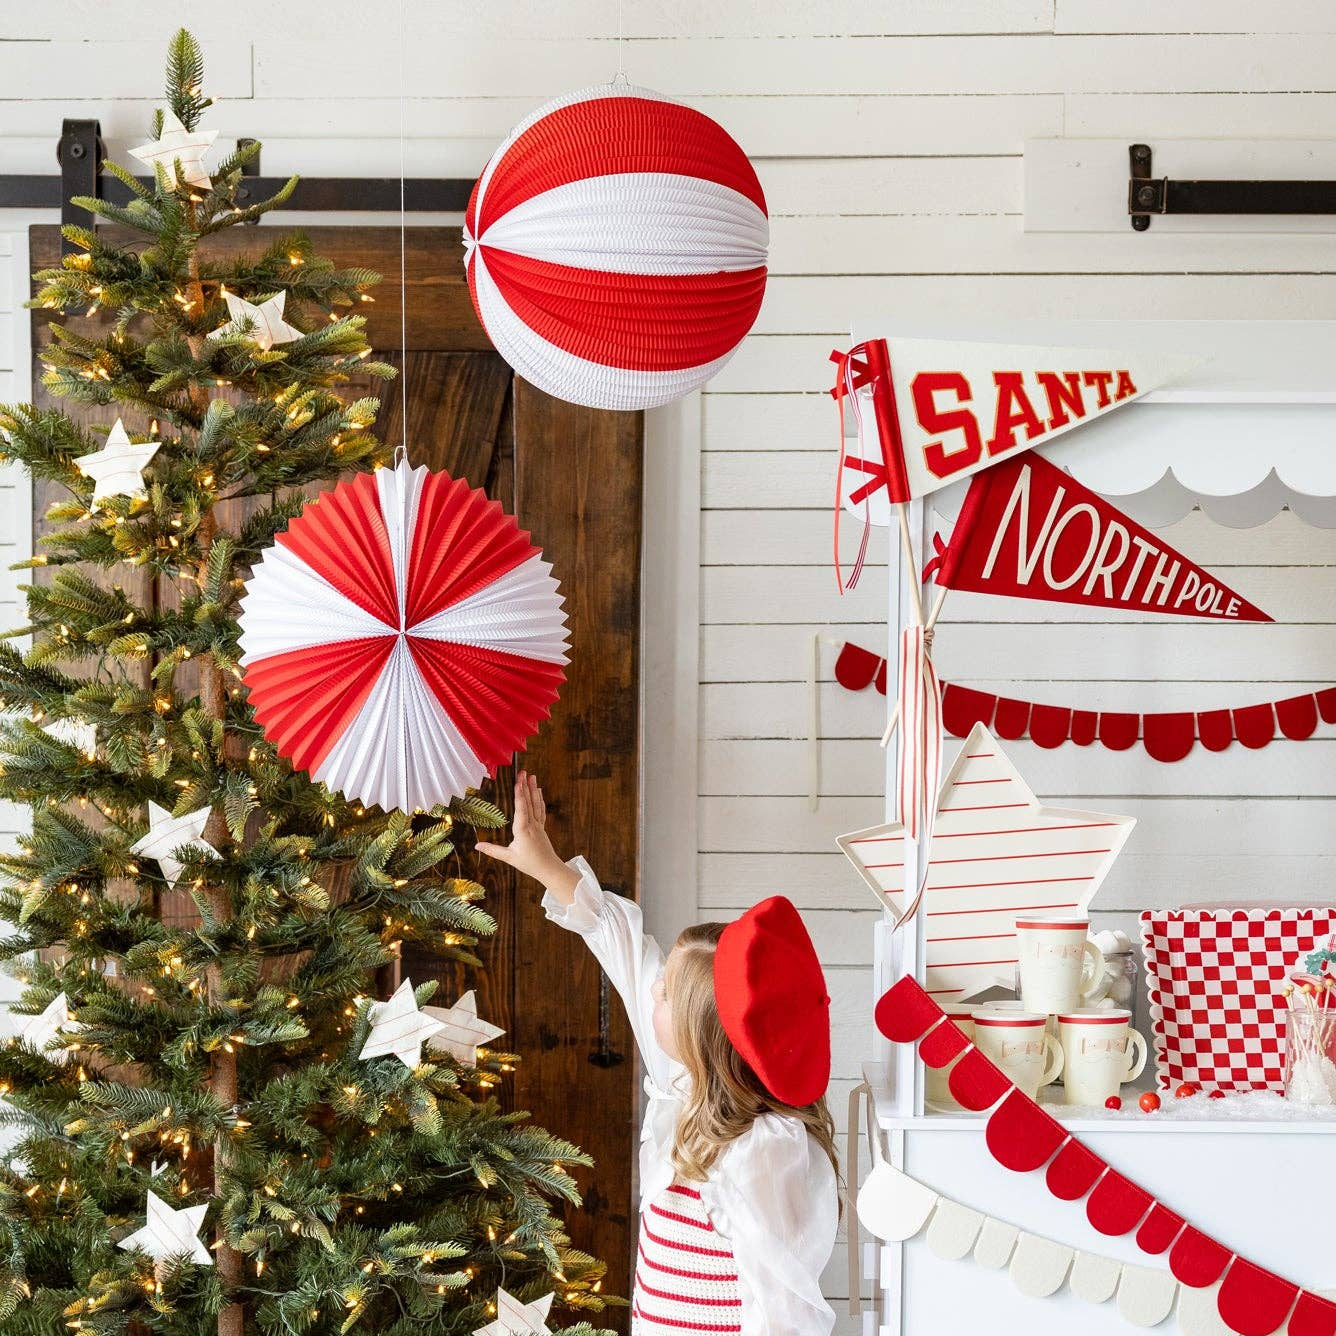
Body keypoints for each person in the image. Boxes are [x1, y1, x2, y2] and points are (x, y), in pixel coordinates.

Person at [477, 772, 840, 1336]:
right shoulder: (682, 1079)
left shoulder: (763, 1150)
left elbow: (779, 1303)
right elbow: (623, 944)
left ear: (703, 1034)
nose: (652, 991)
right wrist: (546, 862)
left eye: (667, 993)